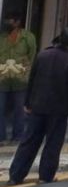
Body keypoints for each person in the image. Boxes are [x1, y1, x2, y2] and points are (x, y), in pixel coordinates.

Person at [6, 29, 68, 185]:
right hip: (59, 110)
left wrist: (27, 103)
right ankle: (45, 176)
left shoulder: (42, 55)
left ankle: (16, 175)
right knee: (53, 143)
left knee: (29, 141)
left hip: (38, 106)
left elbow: (31, 81)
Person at [0, 14, 37, 146]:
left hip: (21, 80)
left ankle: (18, 136)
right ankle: (1, 137)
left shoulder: (28, 38)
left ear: (17, 22)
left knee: (20, 110)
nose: (6, 23)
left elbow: (31, 57)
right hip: (2, 79)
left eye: (9, 20)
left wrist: (27, 74)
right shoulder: (2, 38)